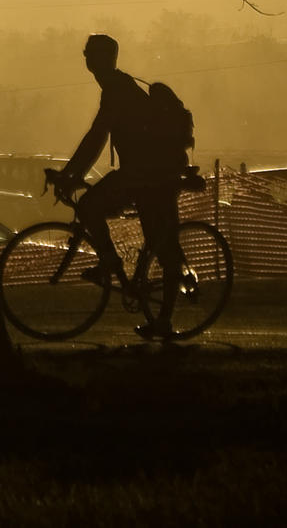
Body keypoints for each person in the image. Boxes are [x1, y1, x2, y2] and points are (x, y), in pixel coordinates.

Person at [54, 33, 188, 341]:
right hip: (140, 173)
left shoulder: (117, 89)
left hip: (151, 175)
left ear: (105, 59)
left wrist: (71, 173)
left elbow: (97, 136)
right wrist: (71, 172)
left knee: (163, 247)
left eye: (92, 55)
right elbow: (97, 137)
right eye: (86, 54)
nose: (87, 60)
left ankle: (161, 318)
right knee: (152, 238)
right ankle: (113, 264)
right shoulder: (117, 86)